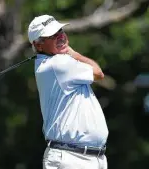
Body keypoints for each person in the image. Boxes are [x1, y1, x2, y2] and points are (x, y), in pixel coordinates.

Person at [28, 14, 109, 169]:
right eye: (52, 36)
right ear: (39, 45)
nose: (61, 37)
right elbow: (98, 73)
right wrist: (71, 52)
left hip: (88, 157)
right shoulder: (59, 64)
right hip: (72, 158)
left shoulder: (51, 64)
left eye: (60, 31)